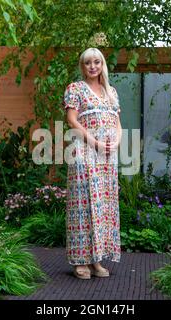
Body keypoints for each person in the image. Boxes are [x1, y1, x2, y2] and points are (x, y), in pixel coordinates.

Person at [63, 48, 122, 280]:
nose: (92, 66)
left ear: (102, 65)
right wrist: (95, 141)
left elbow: (118, 123)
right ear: (82, 66)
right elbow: (71, 119)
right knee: (83, 203)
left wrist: (115, 142)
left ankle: (97, 260)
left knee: (103, 205)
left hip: (107, 156)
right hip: (85, 151)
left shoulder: (111, 91)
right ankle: (81, 261)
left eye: (97, 62)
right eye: (88, 63)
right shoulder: (75, 88)